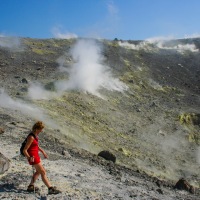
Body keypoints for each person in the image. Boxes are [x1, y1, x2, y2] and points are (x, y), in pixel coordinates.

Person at [23, 121, 61, 194]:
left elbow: (36, 146)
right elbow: (25, 150)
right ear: (37, 128)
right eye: (41, 129)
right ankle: (50, 189)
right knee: (43, 172)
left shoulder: (35, 135)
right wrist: (29, 157)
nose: (41, 130)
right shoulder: (31, 137)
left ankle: (30, 186)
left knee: (38, 171)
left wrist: (43, 152)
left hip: (36, 155)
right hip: (33, 157)